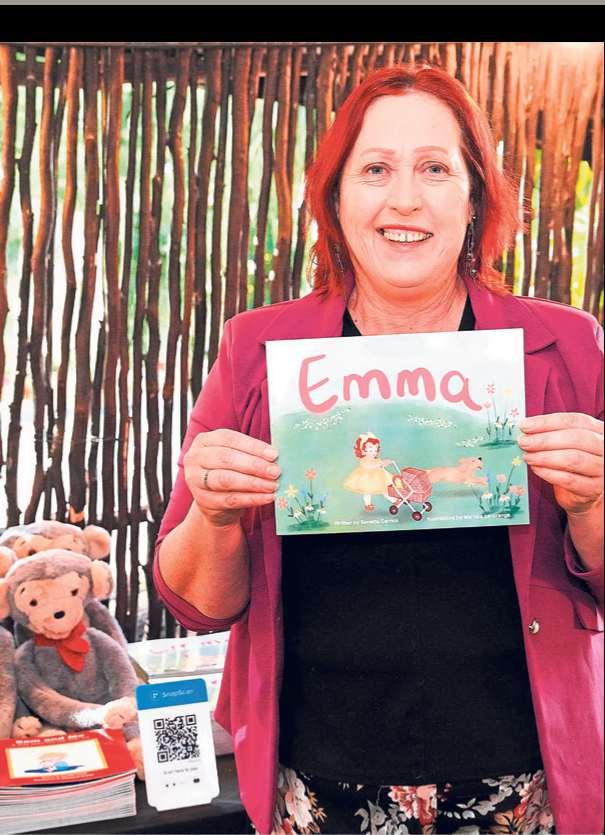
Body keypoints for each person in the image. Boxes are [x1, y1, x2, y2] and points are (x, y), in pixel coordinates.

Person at [153, 64, 604, 835]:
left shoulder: (564, 345)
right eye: (374, 170)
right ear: (334, 198)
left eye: (434, 168)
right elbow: (197, 600)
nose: (404, 199)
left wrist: (593, 501)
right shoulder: (256, 350)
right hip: (318, 773)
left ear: (474, 196)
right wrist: (215, 513)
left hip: (524, 775)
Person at [342, 432, 394, 511]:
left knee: (386, 489)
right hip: (367, 479)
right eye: (371, 450)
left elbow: (380, 465)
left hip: (379, 477)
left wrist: (386, 462)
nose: (374, 452)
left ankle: (394, 500)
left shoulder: (376, 459)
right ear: (363, 451)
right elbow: (370, 466)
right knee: (367, 491)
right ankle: (368, 504)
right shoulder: (364, 460)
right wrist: (380, 464)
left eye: (375, 450)